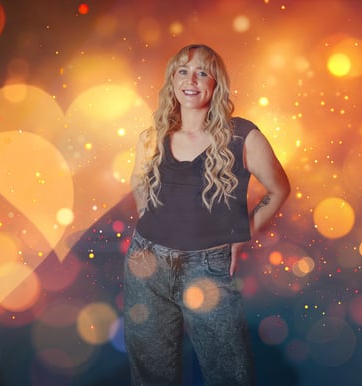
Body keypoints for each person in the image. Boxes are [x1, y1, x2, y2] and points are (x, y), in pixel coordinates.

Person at [124, 44, 290, 386]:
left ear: (216, 84)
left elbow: (279, 190)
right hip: (146, 266)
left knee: (229, 373)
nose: (191, 80)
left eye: (202, 72)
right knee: (150, 374)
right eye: (182, 71)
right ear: (172, 80)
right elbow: (138, 183)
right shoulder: (153, 137)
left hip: (208, 269)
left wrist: (243, 236)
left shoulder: (244, 136)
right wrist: (149, 229)